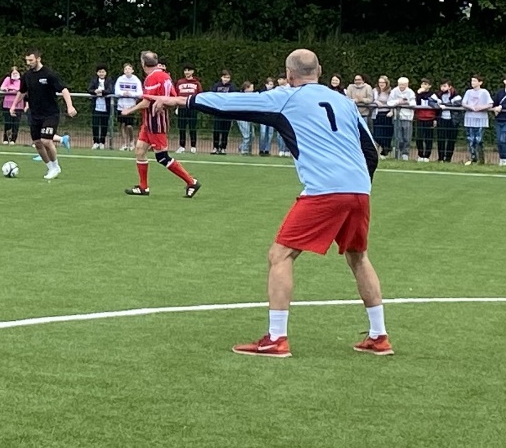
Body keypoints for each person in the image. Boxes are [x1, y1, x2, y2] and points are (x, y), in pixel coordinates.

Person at [151, 49, 388, 359]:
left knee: (280, 255)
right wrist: (358, 186)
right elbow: (370, 151)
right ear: (319, 71)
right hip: (359, 189)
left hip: (325, 190)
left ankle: (276, 339)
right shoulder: (344, 101)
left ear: (289, 75)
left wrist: (181, 100)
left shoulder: (285, 97)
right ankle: (379, 335)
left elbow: (232, 104)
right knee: (359, 257)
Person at [121, 51, 200, 197]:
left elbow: (146, 102)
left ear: (143, 64)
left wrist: (130, 110)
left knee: (162, 157)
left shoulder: (153, 78)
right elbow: (174, 98)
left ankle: (191, 182)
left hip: (155, 122)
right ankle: (143, 187)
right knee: (139, 150)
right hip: (149, 122)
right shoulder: (165, 76)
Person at [10, 49, 77, 179]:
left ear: (38, 59)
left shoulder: (49, 74)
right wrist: (14, 105)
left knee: (46, 140)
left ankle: (56, 166)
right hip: (34, 114)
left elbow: (64, 89)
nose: (29, 63)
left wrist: (70, 106)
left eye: (31, 60)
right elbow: (22, 91)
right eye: (27, 60)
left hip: (50, 114)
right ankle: (50, 168)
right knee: (38, 143)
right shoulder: (27, 76)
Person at [462, 75, 494, 165]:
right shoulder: (468, 92)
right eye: (472, 81)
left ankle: (481, 158)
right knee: (471, 139)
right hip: (469, 118)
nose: (473, 83)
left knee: (479, 139)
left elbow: (490, 104)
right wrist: (470, 107)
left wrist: (481, 108)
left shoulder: (484, 92)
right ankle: (473, 158)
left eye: (475, 81)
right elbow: (464, 103)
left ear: (480, 82)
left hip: (480, 119)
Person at [174, 65, 202, 153]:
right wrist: (177, 106)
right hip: (182, 107)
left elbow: (200, 95)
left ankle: (193, 146)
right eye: (185, 70)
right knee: (182, 128)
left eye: (189, 70)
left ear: (192, 72)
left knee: (192, 127)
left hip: (192, 107)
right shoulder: (180, 82)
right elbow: (176, 94)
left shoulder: (196, 83)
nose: (187, 72)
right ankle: (182, 146)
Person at [114, 63, 142, 150]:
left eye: (129, 69)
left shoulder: (136, 80)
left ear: (132, 71)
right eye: (126, 69)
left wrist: (131, 94)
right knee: (122, 125)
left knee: (129, 126)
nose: (127, 71)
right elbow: (116, 91)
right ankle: (124, 143)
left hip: (131, 106)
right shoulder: (120, 79)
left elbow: (140, 93)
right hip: (121, 106)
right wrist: (123, 93)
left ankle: (131, 142)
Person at [388, 77, 416, 161]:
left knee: (407, 137)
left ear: (407, 84)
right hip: (397, 116)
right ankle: (398, 152)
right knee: (398, 137)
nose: (401, 86)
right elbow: (389, 102)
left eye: (403, 85)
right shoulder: (394, 91)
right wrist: (398, 102)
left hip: (407, 117)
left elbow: (413, 103)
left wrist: (406, 102)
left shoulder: (410, 92)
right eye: (400, 84)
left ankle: (405, 154)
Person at [433, 80, 460, 162]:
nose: (442, 88)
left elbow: (458, 103)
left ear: (449, 86)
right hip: (441, 119)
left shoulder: (455, 94)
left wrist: (445, 105)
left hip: (452, 121)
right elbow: (431, 101)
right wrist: (438, 105)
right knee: (441, 139)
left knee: (451, 140)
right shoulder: (437, 94)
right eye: (441, 86)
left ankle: (448, 159)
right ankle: (440, 158)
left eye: (444, 86)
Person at [209, 70, 235, 154]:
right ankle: (215, 147)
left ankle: (223, 148)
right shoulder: (216, 86)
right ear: (221, 77)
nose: (226, 79)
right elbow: (212, 96)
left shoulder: (232, 87)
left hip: (227, 112)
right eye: (224, 77)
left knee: (225, 131)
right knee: (216, 130)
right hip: (217, 112)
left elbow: (234, 98)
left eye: (228, 77)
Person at [88, 64, 113, 149]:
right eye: (100, 72)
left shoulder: (109, 80)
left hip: (106, 107)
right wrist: (95, 91)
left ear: (105, 73)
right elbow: (89, 89)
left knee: (104, 125)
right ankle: (95, 142)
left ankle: (102, 142)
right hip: (96, 107)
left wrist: (102, 92)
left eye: (103, 72)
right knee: (95, 124)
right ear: (97, 73)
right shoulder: (94, 80)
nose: (101, 73)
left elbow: (110, 90)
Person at [412, 79, 436, 162]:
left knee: (428, 138)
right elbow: (415, 102)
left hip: (430, 119)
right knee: (419, 137)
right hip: (420, 118)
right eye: (422, 84)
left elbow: (437, 107)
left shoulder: (433, 95)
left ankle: (427, 156)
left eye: (425, 84)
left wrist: (435, 119)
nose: (423, 86)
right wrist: (418, 93)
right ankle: (420, 155)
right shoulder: (418, 94)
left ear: (429, 86)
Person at [370, 76, 393, 156]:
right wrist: (376, 102)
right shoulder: (375, 91)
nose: (381, 84)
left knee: (386, 133)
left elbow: (392, 101)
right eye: (380, 82)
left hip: (387, 114)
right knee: (377, 134)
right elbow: (370, 100)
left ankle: (385, 151)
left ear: (386, 83)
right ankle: (385, 147)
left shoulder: (390, 91)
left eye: (383, 82)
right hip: (377, 114)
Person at [0, 67, 22, 145]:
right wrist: (8, 89)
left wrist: (14, 90)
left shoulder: (21, 81)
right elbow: (2, 87)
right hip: (7, 104)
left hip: (18, 105)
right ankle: (6, 138)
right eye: (13, 73)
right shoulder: (7, 79)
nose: (15, 75)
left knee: (16, 123)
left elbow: (22, 90)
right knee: (7, 122)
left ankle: (13, 139)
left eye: (16, 73)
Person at [237, 81, 258, 154]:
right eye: (251, 88)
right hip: (242, 118)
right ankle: (244, 151)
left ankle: (242, 147)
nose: (253, 90)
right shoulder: (240, 97)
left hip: (250, 117)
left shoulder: (253, 97)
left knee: (252, 135)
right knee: (246, 135)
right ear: (246, 89)